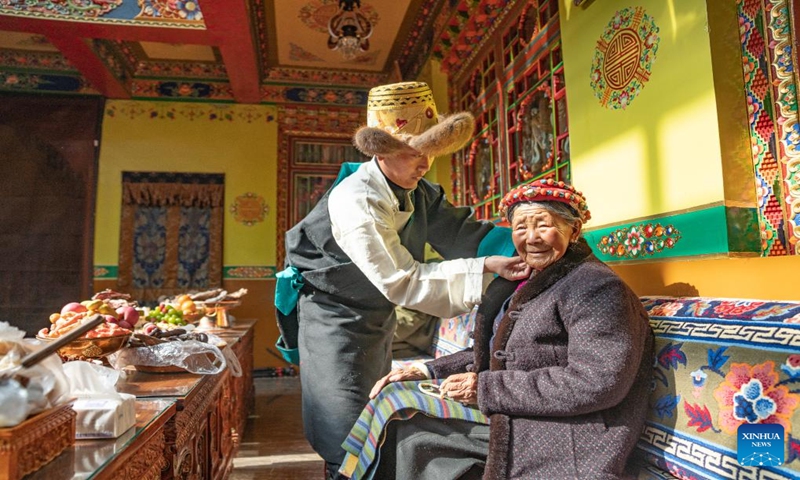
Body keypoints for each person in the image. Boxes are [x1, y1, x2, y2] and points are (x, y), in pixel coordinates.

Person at [278, 81, 529, 479]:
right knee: (342, 430)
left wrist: (525, 251)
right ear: (381, 151)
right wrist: (484, 268)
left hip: (376, 317)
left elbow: (463, 233)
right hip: (332, 318)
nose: (425, 162)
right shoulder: (356, 198)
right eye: (414, 153)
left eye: (429, 151)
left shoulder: (420, 191)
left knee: (371, 419)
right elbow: (401, 280)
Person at [365, 178, 655, 479]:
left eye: (543, 225)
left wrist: (486, 388)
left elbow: (597, 382)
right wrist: (427, 371)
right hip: (520, 412)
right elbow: (499, 351)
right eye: (520, 228)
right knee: (395, 401)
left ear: (575, 230)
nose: (531, 238)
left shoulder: (596, 288)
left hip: (565, 433)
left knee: (414, 437)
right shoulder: (531, 280)